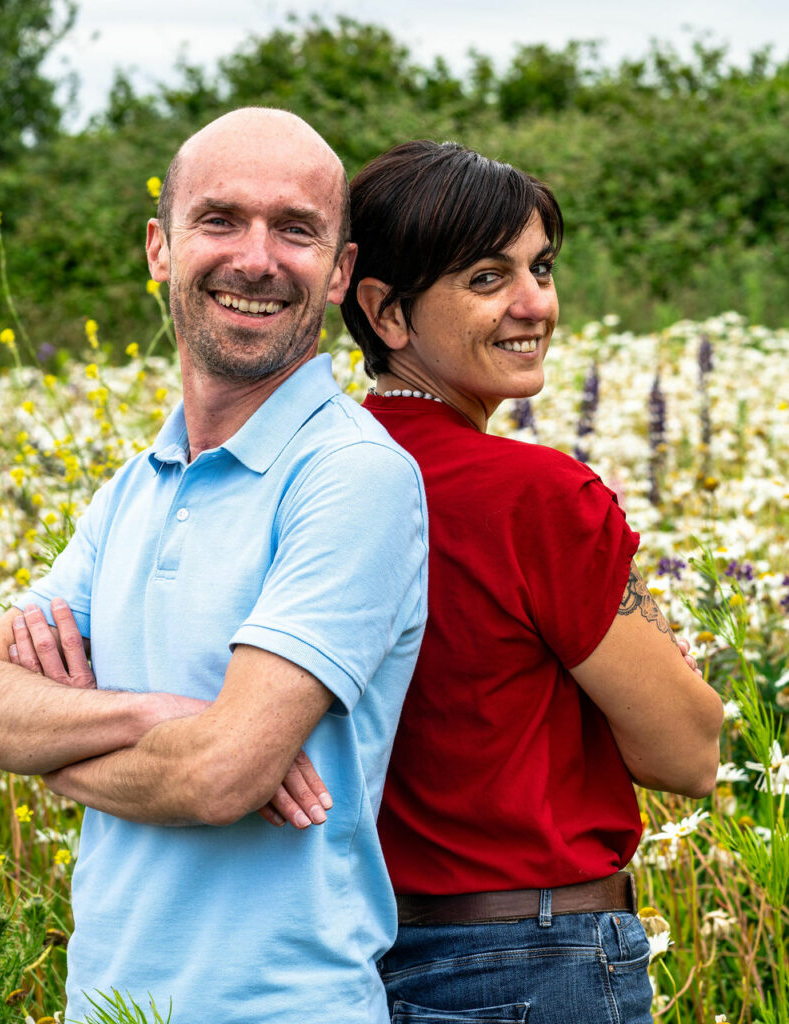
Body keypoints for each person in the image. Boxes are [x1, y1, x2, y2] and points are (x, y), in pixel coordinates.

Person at [0, 110, 428, 1024]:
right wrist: (159, 716)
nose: (255, 258)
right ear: (160, 248)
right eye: (219, 219)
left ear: (338, 272)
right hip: (102, 1003)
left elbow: (219, 776)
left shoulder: (353, 477)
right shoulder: (133, 489)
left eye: (295, 229)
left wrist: (56, 749)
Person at [336, 140, 724, 1023]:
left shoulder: (312, 477)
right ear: (386, 312)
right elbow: (687, 751)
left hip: (355, 954)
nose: (532, 304)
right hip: (536, 955)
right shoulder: (535, 496)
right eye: (484, 277)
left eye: (540, 267)